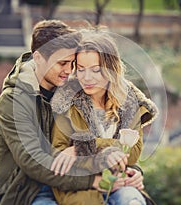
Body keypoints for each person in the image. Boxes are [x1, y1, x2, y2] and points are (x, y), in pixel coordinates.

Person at [0, 20, 104, 205]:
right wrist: (91, 181)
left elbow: (107, 136)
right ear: (38, 58)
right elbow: (33, 162)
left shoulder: (74, 95)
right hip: (25, 194)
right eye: (62, 63)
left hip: (69, 186)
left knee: (130, 198)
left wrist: (128, 171)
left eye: (72, 63)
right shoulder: (13, 101)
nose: (68, 71)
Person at [50, 29, 158, 205]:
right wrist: (111, 151)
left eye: (95, 70)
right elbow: (59, 154)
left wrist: (82, 147)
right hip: (79, 185)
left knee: (132, 201)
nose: (86, 78)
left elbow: (132, 154)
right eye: (81, 69)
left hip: (118, 180)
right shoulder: (67, 101)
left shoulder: (129, 102)